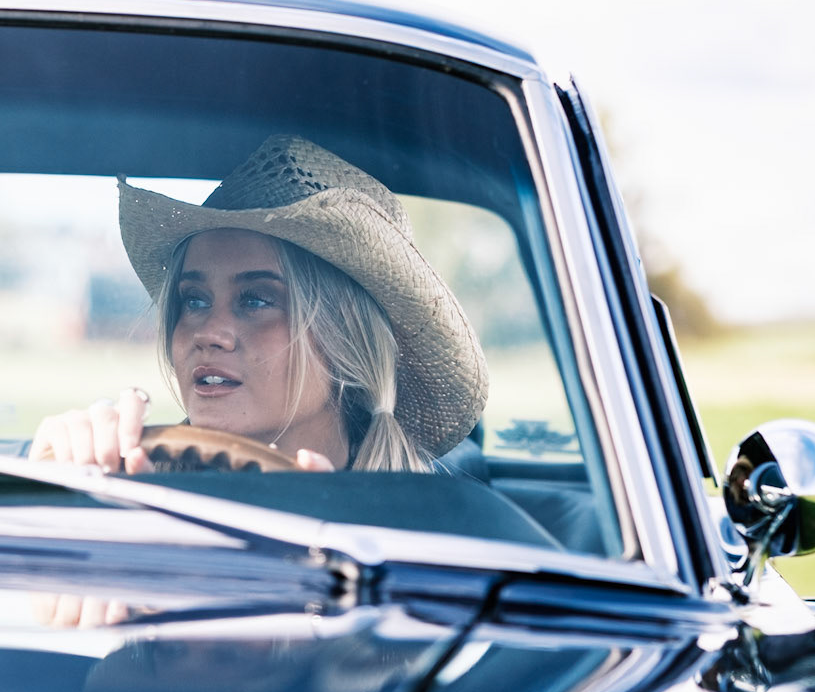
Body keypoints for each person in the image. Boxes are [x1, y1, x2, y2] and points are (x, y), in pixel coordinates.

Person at [31, 135, 488, 479]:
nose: (208, 332)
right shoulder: (135, 481)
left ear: (346, 340)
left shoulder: (427, 535)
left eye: (256, 299)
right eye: (194, 300)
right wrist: (57, 484)